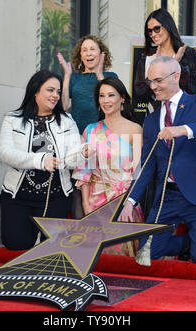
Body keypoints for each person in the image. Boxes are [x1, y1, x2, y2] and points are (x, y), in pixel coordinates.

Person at [119, 56, 196, 265]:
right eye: (150, 81)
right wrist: (130, 201)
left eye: (158, 80)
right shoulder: (151, 121)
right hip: (167, 197)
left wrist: (184, 130)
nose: (153, 86)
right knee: (147, 255)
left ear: (176, 76)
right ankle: (187, 242)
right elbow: (147, 164)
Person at [0, 70, 93, 250]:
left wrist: (83, 153)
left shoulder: (67, 121)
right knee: (14, 243)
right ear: (35, 91)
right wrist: (41, 160)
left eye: (58, 92)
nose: (55, 95)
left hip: (55, 196)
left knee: (51, 247)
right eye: (50, 90)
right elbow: (5, 153)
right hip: (17, 195)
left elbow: (72, 158)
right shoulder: (13, 119)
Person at [72, 77, 143, 255]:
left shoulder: (135, 129)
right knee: (97, 257)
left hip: (125, 202)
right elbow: (84, 170)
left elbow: (138, 173)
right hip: (96, 202)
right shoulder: (91, 130)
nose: (106, 100)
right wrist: (86, 205)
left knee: (122, 257)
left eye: (111, 95)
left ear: (122, 98)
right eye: (102, 96)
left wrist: (129, 202)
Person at [133, 8, 196, 125]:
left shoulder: (189, 55)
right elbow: (140, 93)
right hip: (155, 120)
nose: (153, 34)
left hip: (184, 119)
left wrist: (175, 65)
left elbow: (194, 89)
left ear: (168, 25)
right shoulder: (146, 59)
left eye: (156, 28)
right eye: (150, 31)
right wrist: (154, 71)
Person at [57, 34, 118, 134]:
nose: (88, 53)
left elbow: (111, 102)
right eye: (84, 50)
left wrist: (99, 76)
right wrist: (67, 76)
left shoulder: (111, 76)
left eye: (92, 49)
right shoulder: (74, 78)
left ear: (100, 53)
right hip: (78, 134)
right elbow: (65, 105)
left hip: (103, 134)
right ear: (81, 56)